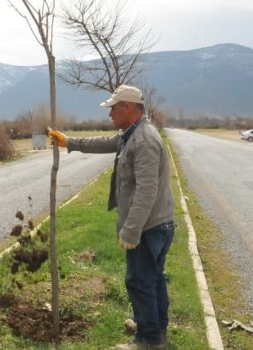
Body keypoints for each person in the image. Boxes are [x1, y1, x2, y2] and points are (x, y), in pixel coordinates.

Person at [49, 84, 174, 350]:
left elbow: (146, 191)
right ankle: (154, 327)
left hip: (149, 227)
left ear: (127, 107)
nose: (109, 114)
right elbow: (105, 142)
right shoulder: (131, 134)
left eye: (113, 108)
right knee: (153, 278)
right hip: (154, 225)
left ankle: (148, 341)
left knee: (139, 281)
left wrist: (131, 230)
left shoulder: (144, 140)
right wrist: (69, 141)